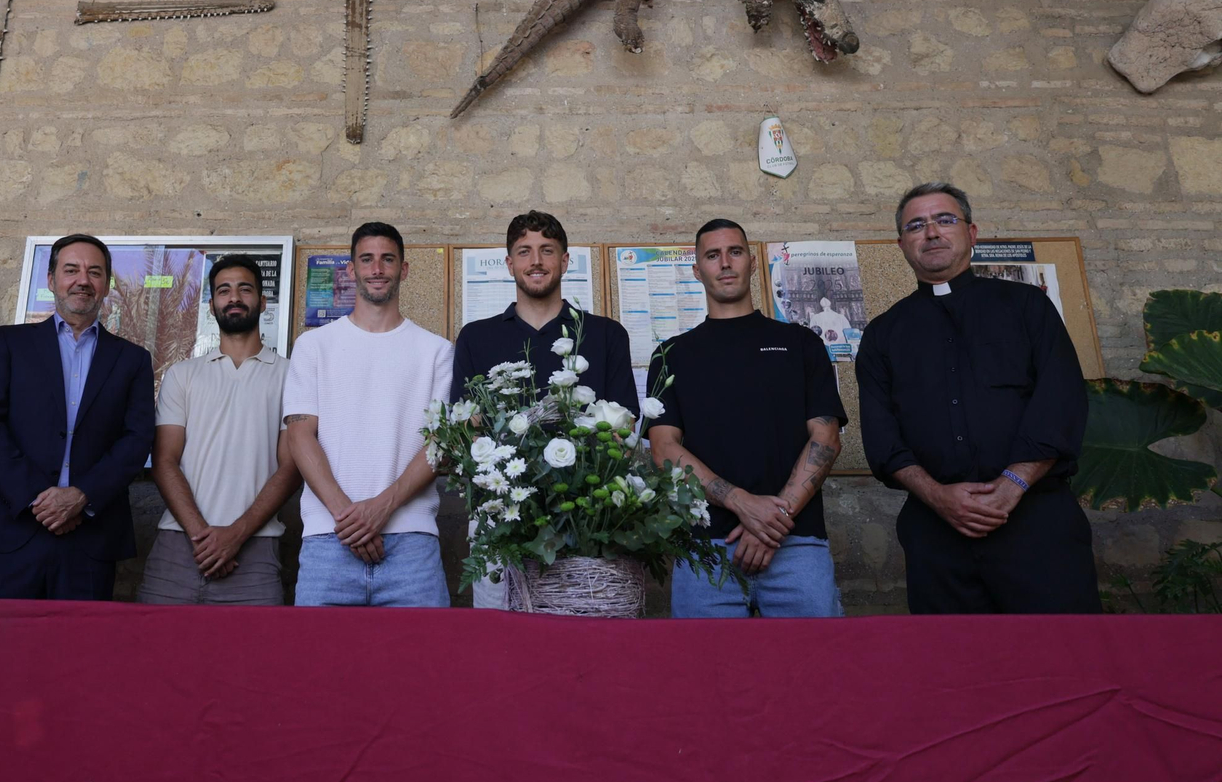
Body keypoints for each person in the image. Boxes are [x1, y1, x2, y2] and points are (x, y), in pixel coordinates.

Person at [856, 182, 1099, 614]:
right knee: (956, 673)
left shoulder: (1027, 306)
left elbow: (1060, 401)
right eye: (916, 225)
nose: (931, 232)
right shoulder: (882, 335)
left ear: (972, 233)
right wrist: (938, 497)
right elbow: (882, 438)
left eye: (944, 220)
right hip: (936, 534)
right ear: (902, 245)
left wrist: (1013, 486)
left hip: (1036, 521)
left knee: (1063, 665)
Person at [646, 219, 848, 618]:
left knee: (815, 671)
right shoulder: (671, 354)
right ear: (696, 269)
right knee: (705, 676)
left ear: (752, 262)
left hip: (796, 543)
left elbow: (826, 438)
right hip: (707, 548)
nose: (725, 263)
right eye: (712, 255)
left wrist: (774, 519)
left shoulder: (800, 343)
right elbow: (663, 449)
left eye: (734, 252)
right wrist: (744, 505)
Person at [451, 210, 638, 608]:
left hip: (587, 519)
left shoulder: (605, 335)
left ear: (566, 261)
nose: (536, 261)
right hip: (501, 518)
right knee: (502, 648)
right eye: (524, 251)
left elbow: (624, 430)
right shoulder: (477, 338)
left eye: (547, 250)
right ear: (509, 263)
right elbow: (468, 429)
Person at [0, 233, 155, 601]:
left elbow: (137, 438)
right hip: (8, 530)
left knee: (80, 654)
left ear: (106, 285)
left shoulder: (132, 359)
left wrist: (82, 495)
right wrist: (37, 498)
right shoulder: (9, 343)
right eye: (71, 269)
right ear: (51, 280)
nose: (83, 280)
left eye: (94, 272)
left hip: (89, 536)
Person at [283, 222, 454, 607]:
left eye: (387, 259)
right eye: (367, 259)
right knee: (317, 663)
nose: (377, 269)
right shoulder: (312, 346)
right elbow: (299, 435)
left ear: (404, 269)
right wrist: (351, 519)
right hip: (329, 538)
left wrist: (382, 508)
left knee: (424, 663)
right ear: (350, 270)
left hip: (412, 544)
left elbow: (440, 443)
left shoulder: (437, 351)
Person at [138, 255, 300, 605]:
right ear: (212, 306)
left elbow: (291, 467)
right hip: (178, 544)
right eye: (224, 290)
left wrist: (236, 534)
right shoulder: (183, 375)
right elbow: (165, 459)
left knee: (253, 659)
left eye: (245, 289)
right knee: (154, 656)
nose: (235, 298)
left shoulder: (292, 375)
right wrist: (203, 536)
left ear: (262, 301)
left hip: (256, 548)